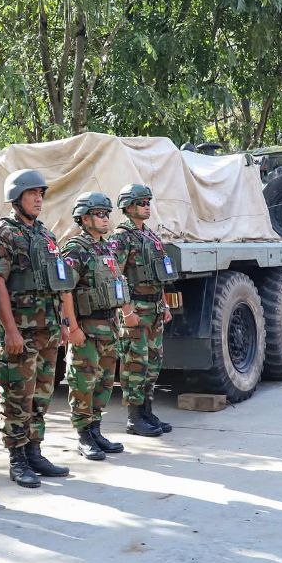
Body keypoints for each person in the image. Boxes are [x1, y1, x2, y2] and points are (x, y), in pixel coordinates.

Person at [0, 169, 73, 488]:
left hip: (48, 331)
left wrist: (63, 322)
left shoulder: (45, 235)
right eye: (32, 193)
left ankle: (34, 451)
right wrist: (10, 330)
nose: (38, 199)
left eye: (40, 194)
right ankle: (17, 458)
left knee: (42, 396)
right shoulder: (2, 234)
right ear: (16, 197)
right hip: (20, 331)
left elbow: (57, 282)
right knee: (18, 397)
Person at [60, 192, 130, 460]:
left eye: (106, 214)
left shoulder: (107, 248)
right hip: (87, 329)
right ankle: (83, 435)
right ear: (84, 218)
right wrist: (72, 328)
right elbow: (65, 290)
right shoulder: (75, 249)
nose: (105, 219)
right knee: (83, 382)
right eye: (99, 214)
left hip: (109, 327)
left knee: (104, 382)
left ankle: (96, 430)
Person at [113, 183, 176, 434]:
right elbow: (116, 277)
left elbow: (160, 274)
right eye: (141, 203)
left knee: (153, 363)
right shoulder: (121, 237)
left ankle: (147, 411)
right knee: (135, 363)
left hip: (154, 308)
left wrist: (164, 304)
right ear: (128, 207)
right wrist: (126, 311)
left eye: (148, 202)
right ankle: (134, 418)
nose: (147, 206)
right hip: (136, 309)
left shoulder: (150, 236)